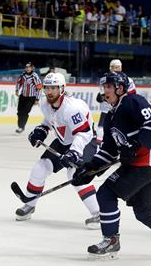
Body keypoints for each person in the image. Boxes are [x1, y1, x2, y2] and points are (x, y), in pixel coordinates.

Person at [72, 71, 151, 259]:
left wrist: (136, 147)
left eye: (109, 87)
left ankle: (111, 240)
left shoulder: (132, 101)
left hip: (146, 161)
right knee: (144, 211)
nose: (105, 91)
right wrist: (89, 169)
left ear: (120, 88)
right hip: (142, 163)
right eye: (104, 87)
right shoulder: (111, 117)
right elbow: (109, 150)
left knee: (106, 193)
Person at [16, 73, 100, 229]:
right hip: (64, 141)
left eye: (54, 88)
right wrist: (42, 129)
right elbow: (50, 119)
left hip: (86, 142)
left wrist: (74, 152)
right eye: (47, 88)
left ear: (62, 89)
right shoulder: (44, 102)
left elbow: (83, 133)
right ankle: (29, 204)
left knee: (76, 174)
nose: (49, 91)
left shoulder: (73, 108)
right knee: (40, 168)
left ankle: (99, 214)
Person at [95, 59, 136, 143]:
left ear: (121, 68)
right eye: (114, 67)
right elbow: (101, 97)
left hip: (121, 110)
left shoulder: (128, 80)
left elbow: (132, 95)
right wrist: (103, 97)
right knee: (101, 130)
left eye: (118, 67)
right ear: (110, 68)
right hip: (107, 110)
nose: (116, 69)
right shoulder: (105, 79)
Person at [14, 62, 43, 134]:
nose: (27, 68)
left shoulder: (35, 76)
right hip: (22, 96)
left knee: (25, 112)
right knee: (19, 112)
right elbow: (19, 83)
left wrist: (37, 99)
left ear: (32, 68)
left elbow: (39, 88)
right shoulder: (22, 75)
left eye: (29, 67)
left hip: (31, 98)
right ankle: (20, 126)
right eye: (26, 67)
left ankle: (21, 127)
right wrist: (17, 90)